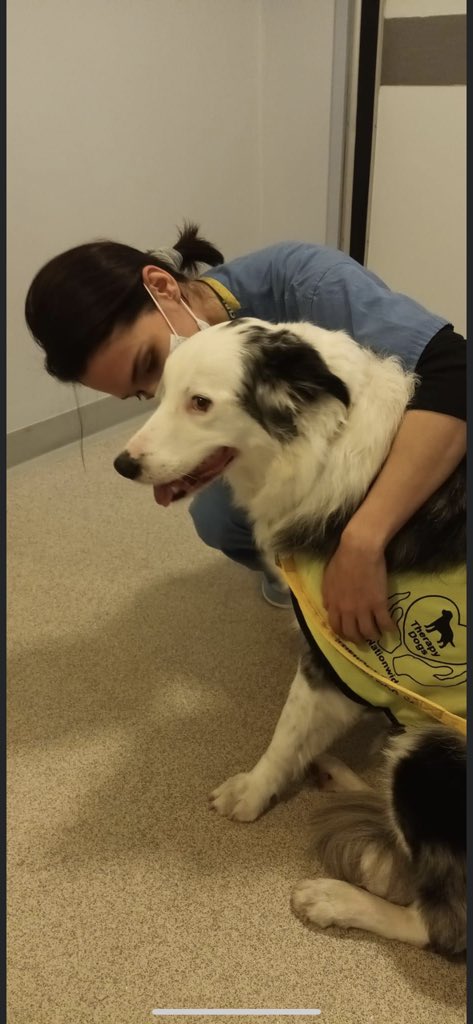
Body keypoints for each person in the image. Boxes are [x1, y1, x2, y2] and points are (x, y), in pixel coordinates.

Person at [25, 223, 466, 641]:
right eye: (143, 395)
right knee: (218, 519)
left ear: (162, 287)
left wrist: (363, 540)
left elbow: (456, 375)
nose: (158, 388)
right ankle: (306, 579)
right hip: (306, 474)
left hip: (416, 447)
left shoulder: (307, 281)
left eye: (150, 364)